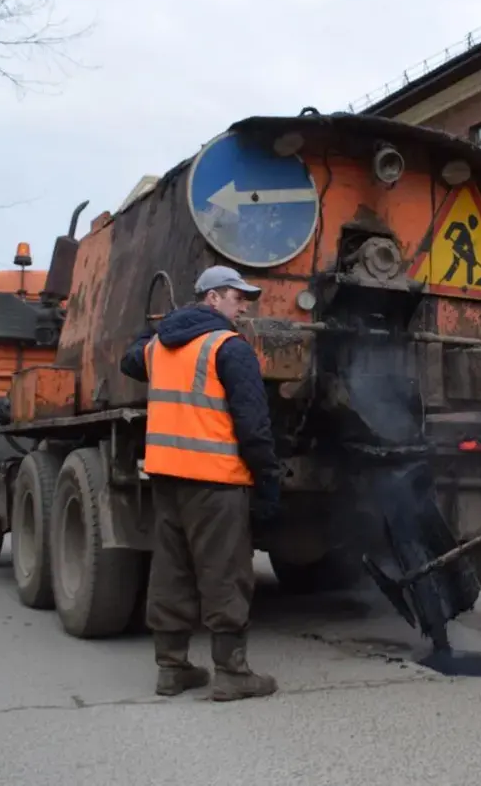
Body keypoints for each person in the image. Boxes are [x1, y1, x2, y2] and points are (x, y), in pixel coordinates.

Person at [120, 264, 282, 701]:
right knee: (225, 574)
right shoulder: (229, 348)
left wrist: (161, 326)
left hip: (168, 477)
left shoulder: (158, 348)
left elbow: (129, 357)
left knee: (171, 571)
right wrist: (267, 477)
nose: (243, 304)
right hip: (216, 480)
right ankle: (232, 673)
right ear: (212, 299)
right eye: (236, 296)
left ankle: (172, 669)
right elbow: (254, 423)